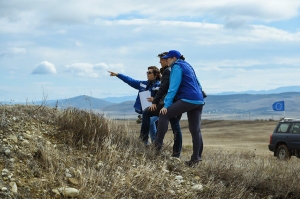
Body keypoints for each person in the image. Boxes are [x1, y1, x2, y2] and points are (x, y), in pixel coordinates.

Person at [153, 50, 205, 166]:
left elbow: (173, 87)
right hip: (199, 99)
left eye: (168, 58)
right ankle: (196, 158)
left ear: (174, 58)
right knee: (195, 129)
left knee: (164, 114)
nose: (166, 60)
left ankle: (157, 146)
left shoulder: (176, 67)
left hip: (188, 98)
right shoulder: (188, 65)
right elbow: (198, 83)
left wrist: (166, 105)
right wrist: (201, 95)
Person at [140, 52, 183, 157]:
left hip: (168, 103)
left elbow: (164, 88)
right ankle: (176, 153)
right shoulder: (175, 70)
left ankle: (144, 140)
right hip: (178, 102)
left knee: (147, 113)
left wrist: (155, 101)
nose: (160, 62)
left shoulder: (168, 71)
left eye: (161, 60)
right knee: (175, 126)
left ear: (167, 59)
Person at [108, 66, 161, 144]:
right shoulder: (143, 84)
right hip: (146, 110)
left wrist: (155, 99)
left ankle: (146, 142)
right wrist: (118, 75)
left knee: (146, 123)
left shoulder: (159, 85)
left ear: (155, 75)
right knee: (151, 126)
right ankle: (155, 145)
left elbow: (164, 97)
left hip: (156, 111)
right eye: (147, 72)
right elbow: (130, 81)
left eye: (149, 72)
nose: (147, 74)